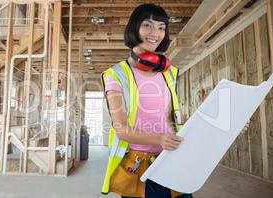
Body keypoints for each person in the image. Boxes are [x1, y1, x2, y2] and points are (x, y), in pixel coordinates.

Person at [100, 3, 249, 198]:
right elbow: (122, 129)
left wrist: (225, 126)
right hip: (140, 167)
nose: (155, 33)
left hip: (175, 161)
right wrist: (160, 139)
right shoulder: (116, 75)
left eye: (161, 27)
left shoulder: (168, 73)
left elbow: (178, 121)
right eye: (148, 25)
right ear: (134, 27)